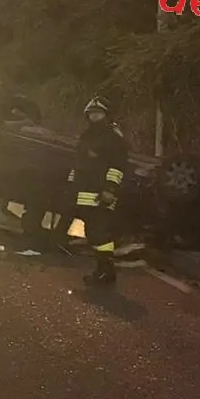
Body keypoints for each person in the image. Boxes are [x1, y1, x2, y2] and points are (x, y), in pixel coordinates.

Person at [69, 95, 127, 285]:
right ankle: (103, 271)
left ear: (107, 115)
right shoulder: (86, 136)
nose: (94, 117)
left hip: (101, 193)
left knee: (99, 233)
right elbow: (78, 163)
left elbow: (117, 166)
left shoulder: (113, 138)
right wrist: (71, 186)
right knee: (93, 233)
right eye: (92, 114)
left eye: (98, 113)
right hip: (85, 193)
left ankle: (106, 272)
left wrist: (110, 189)